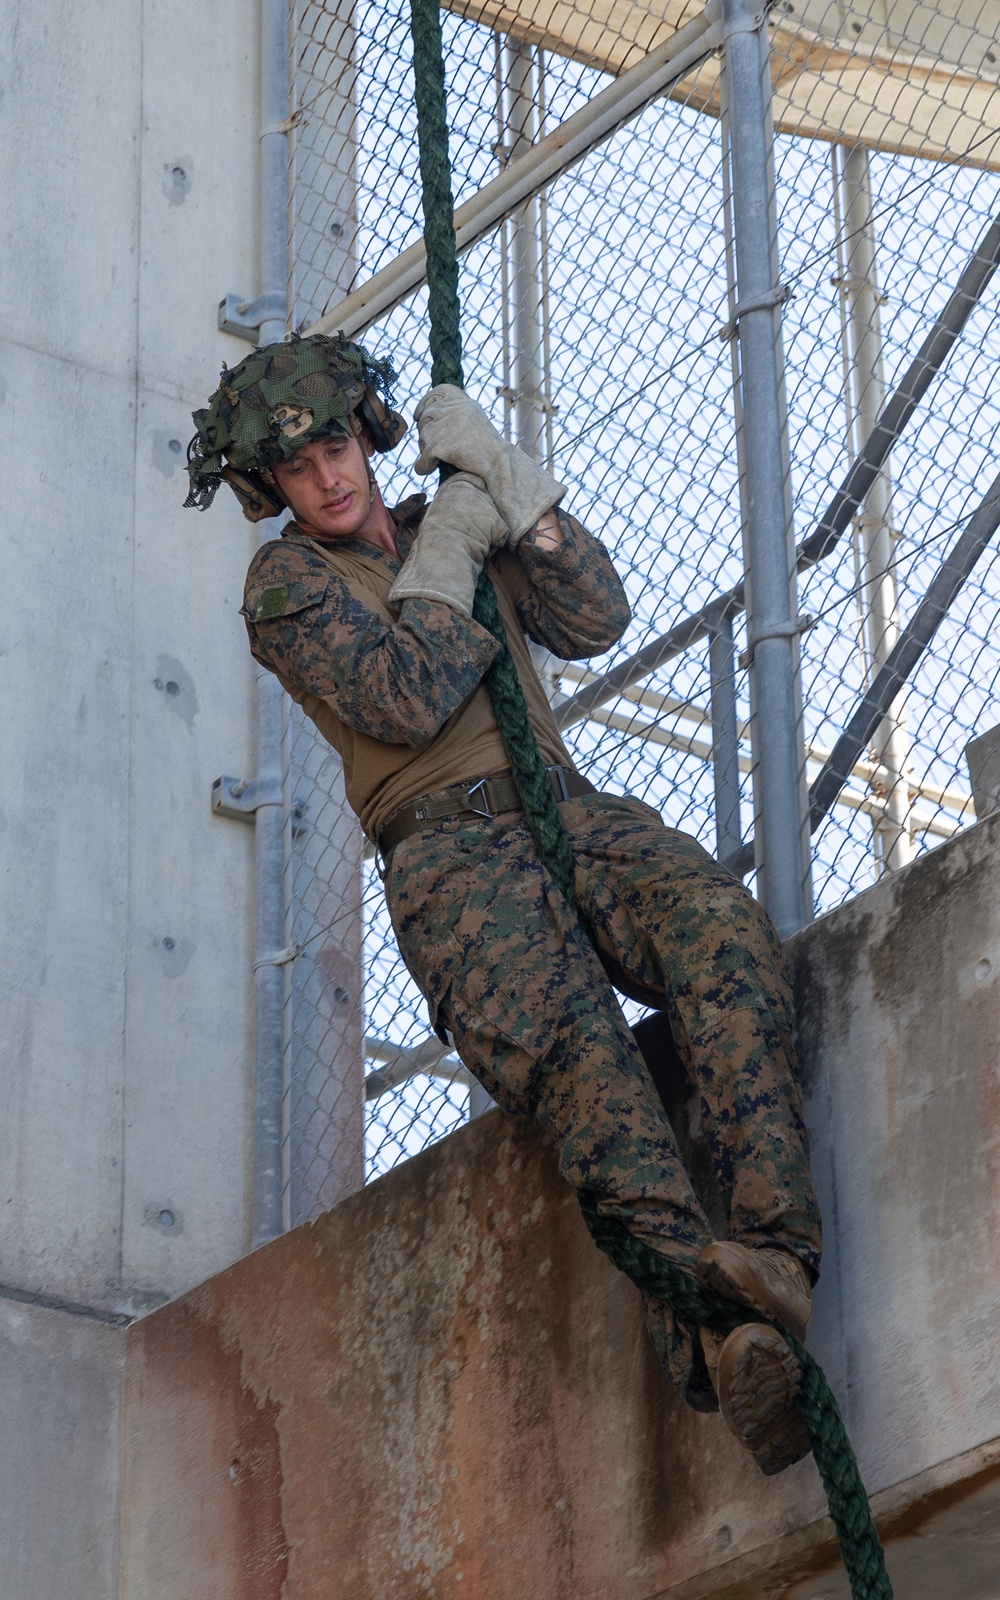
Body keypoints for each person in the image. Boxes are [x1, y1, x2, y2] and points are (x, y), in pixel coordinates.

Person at [186, 332, 821, 1476]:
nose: (328, 476)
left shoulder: (451, 518)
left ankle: (776, 1255)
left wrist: (515, 493)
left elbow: (595, 616)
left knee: (716, 929)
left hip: (563, 809)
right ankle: (726, 1345)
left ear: (367, 435)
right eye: (296, 467)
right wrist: (460, 537)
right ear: (267, 487)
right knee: (587, 1075)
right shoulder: (286, 587)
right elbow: (404, 692)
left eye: (337, 442)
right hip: (450, 862)